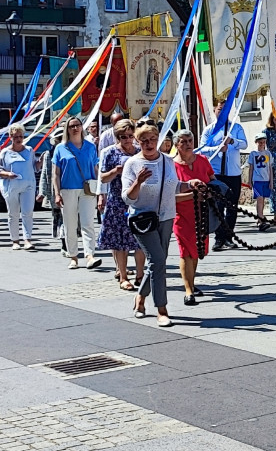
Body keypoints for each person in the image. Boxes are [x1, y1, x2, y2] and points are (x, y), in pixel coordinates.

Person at [122, 123, 204, 326]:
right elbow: (128, 198)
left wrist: (190, 184)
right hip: (142, 220)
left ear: (158, 140)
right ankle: (162, 309)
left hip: (166, 217)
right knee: (158, 261)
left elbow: (174, 186)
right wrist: (138, 182)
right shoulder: (132, 164)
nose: (149, 144)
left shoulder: (167, 161)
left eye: (152, 140)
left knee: (156, 262)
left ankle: (140, 299)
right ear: (137, 142)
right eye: (144, 141)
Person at [96, 119, 145, 290]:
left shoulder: (140, 151)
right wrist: (115, 171)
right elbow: (102, 177)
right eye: (123, 136)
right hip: (117, 200)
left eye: (130, 136)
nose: (127, 139)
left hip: (138, 200)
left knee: (141, 239)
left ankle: (140, 275)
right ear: (117, 137)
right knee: (119, 241)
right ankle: (123, 276)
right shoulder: (110, 152)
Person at [52, 117, 102, 270]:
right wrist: (57, 193)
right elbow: (56, 174)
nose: (75, 128)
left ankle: (90, 256)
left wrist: (100, 191)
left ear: (82, 127)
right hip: (68, 189)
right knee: (70, 224)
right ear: (67, 129)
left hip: (88, 188)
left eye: (78, 125)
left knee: (88, 223)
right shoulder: (61, 148)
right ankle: (73, 256)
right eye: (72, 126)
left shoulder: (90, 146)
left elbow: (95, 169)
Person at [172, 129, 215, 304]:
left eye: (190, 140)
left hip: (202, 214)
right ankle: (188, 290)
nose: (188, 144)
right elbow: (169, 195)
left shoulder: (203, 161)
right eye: (183, 141)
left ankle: (192, 281)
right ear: (176, 145)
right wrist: (192, 195)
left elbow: (213, 182)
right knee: (185, 251)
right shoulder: (171, 165)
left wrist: (210, 192)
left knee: (197, 251)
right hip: (180, 214)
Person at [200, 100, 247, 252]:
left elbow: (245, 144)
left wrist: (232, 141)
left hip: (233, 173)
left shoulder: (236, 127)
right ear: (215, 111)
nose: (222, 112)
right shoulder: (209, 130)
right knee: (218, 207)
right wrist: (217, 148)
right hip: (217, 174)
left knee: (232, 207)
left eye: (225, 110)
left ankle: (229, 237)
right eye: (219, 109)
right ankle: (219, 238)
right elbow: (203, 149)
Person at [0, 124, 37, 251]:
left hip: (28, 185)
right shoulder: (5, 152)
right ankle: (15, 240)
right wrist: (8, 174)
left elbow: (35, 166)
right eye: (16, 136)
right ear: (10, 137)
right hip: (11, 187)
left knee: (27, 212)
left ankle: (27, 239)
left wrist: (42, 161)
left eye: (21, 136)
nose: (19, 139)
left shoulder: (29, 150)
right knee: (13, 214)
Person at [37, 128, 66, 251]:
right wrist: (42, 192)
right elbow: (45, 173)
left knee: (70, 218)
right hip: (55, 191)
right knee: (59, 217)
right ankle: (64, 242)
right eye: (58, 139)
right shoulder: (49, 154)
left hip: (70, 188)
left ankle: (68, 241)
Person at [248, 133, 272, 231]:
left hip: (266, 180)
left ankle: (259, 218)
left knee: (263, 200)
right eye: (260, 142)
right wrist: (249, 181)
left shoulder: (268, 154)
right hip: (257, 180)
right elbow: (251, 168)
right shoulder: (253, 154)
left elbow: (270, 168)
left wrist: (271, 181)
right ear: (256, 143)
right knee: (260, 199)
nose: (262, 144)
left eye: (264, 142)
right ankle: (261, 220)